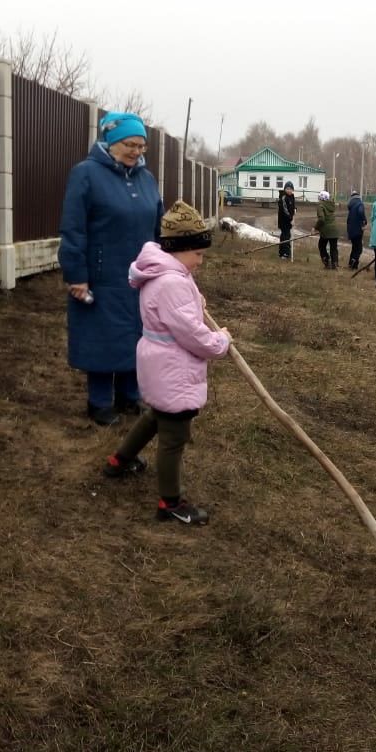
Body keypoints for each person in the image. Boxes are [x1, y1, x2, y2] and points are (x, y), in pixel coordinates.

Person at [103, 201, 231, 526]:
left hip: (159, 361)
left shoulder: (166, 272)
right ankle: (170, 502)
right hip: (174, 365)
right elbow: (190, 332)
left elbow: (176, 308)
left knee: (156, 416)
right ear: (178, 249)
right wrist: (220, 342)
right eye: (198, 254)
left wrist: (195, 302)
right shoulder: (172, 281)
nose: (201, 260)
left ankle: (119, 460)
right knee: (174, 436)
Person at [59, 112, 163, 426]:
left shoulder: (146, 179)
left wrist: (165, 265)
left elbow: (158, 226)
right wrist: (76, 274)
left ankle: (129, 396)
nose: (136, 152)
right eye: (129, 144)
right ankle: (100, 402)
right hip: (102, 274)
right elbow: (73, 228)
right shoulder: (86, 174)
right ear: (111, 142)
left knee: (138, 334)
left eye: (141, 146)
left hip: (140, 276)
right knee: (102, 337)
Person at [314, 190, 340, 269]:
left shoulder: (320, 206)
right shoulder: (331, 205)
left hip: (326, 230)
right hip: (335, 230)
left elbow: (321, 219)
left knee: (321, 246)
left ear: (320, 198)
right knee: (333, 248)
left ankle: (326, 262)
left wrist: (315, 228)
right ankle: (335, 264)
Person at [346, 188, 367, 269]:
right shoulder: (359, 203)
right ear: (358, 196)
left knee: (354, 247)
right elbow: (361, 212)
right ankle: (353, 263)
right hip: (358, 229)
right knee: (359, 249)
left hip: (350, 230)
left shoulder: (351, 205)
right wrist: (364, 221)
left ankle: (351, 264)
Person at [277, 180, 296, 259]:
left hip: (289, 221)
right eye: (287, 189)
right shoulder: (283, 197)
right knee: (285, 236)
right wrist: (291, 219)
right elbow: (285, 210)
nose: (289, 190)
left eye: (290, 189)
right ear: (285, 189)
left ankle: (284, 252)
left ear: (292, 190)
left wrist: (295, 209)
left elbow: (292, 207)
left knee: (286, 235)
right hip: (284, 221)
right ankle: (285, 253)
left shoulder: (291, 197)